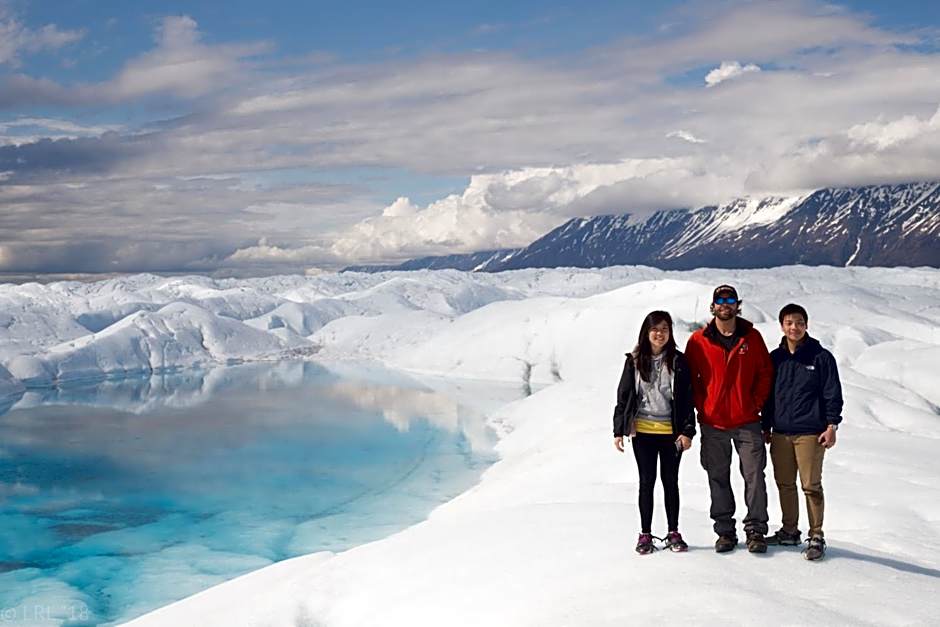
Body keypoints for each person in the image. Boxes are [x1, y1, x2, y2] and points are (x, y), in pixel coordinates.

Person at [684, 284, 773, 553]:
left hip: (747, 421)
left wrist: (754, 403)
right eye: (720, 300)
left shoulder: (752, 338)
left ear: (737, 305)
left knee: (754, 476)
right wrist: (703, 406)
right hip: (713, 424)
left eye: (730, 299)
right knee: (717, 477)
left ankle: (756, 530)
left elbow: (765, 373)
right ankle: (725, 532)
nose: (725, 304)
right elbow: (691, 380)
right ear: (713, 306)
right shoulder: (698, 341)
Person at [763, 303, 843, 561]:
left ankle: (816, 535)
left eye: (799, 322)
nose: (794, 327)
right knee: (785, 483)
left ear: (806, 325)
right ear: (782, 326)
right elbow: (767, 396)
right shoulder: (775, 358)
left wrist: (831, 426)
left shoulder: (821, 357)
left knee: (810, 485)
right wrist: (766, 426)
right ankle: (789, 530)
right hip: (780, 431)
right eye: (789, 323)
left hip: (810, 432)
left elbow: (832, 394)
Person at [613, 310, 696, 554]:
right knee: (646, 483)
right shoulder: (634, 360)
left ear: (670, 333)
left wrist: (688, 431)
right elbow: (624, 395)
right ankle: (645, 534)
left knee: (671, 482)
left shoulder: (678, 361)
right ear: (646, 332)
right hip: (643, 433)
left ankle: (673, 532)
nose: (659, 334)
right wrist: (619, 429)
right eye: (655, 329)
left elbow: (688, 398)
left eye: (664, 329)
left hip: (671, 434)